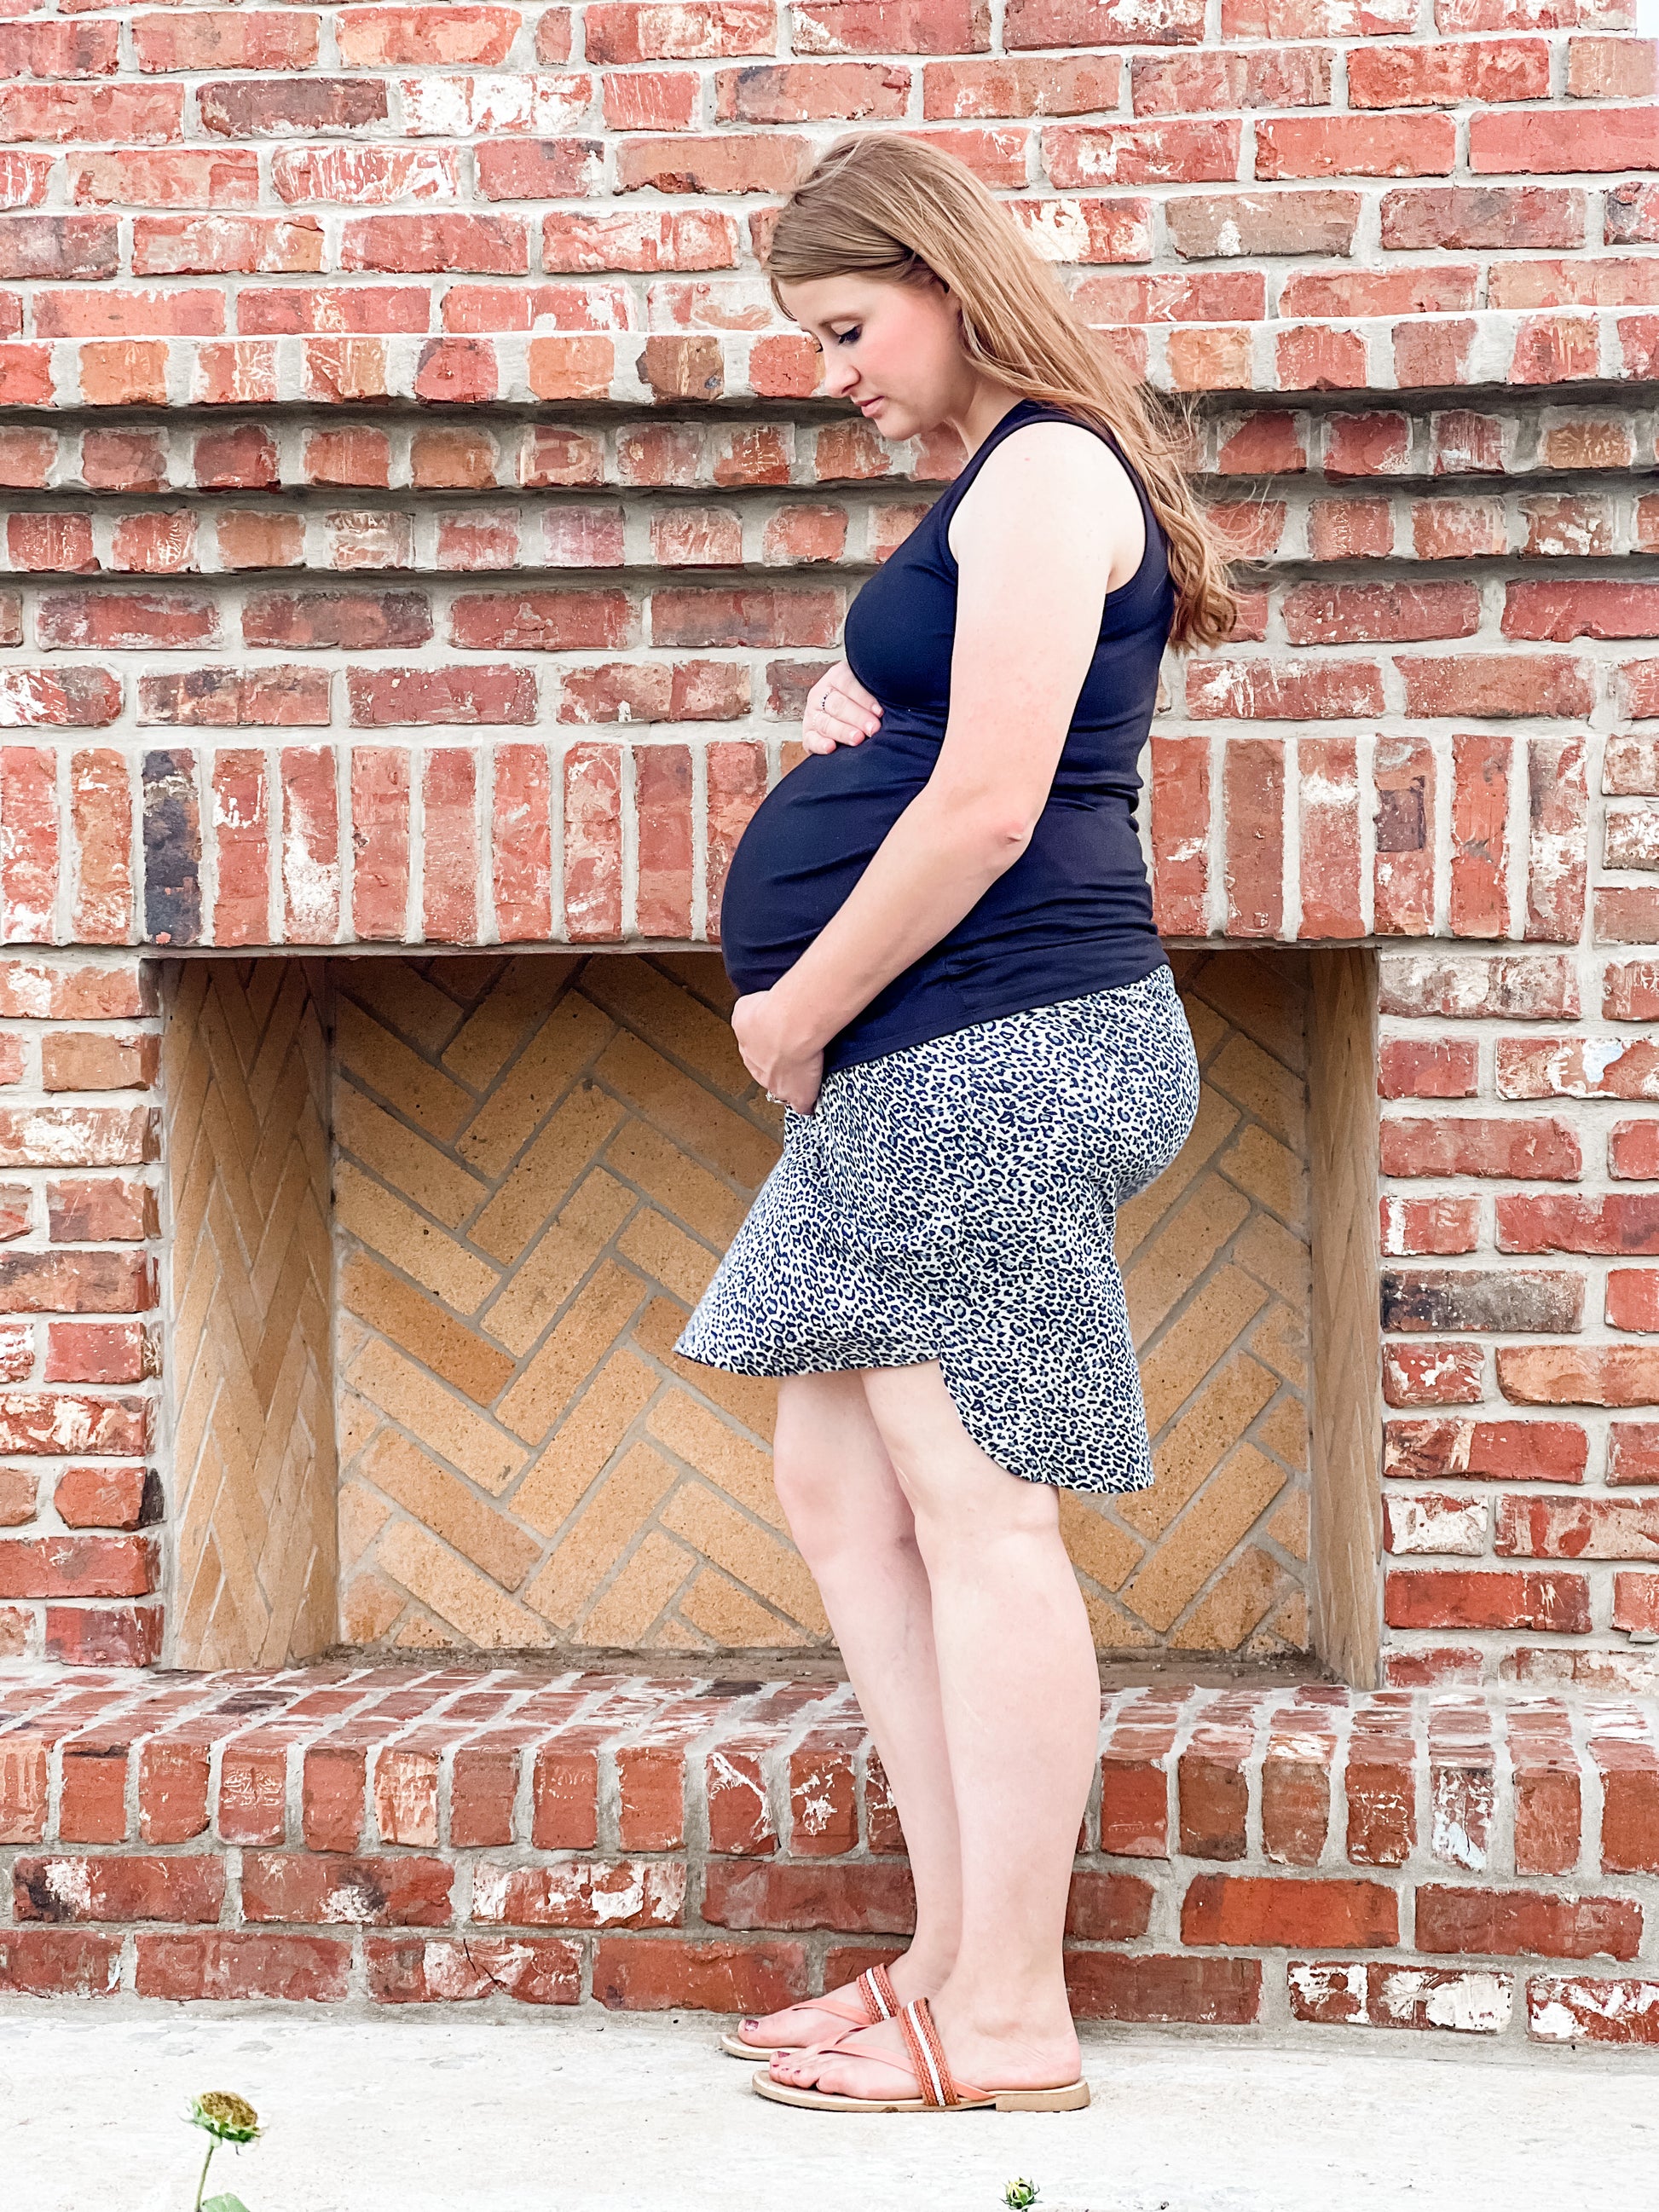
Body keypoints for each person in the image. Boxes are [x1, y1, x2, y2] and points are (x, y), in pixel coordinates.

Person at [672, 131, 1237, 2117]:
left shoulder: (1052, 469)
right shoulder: (1004, 485)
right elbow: (949, 727)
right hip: (933, 1053)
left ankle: (1006, 2014)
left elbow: (993, 807)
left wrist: (797, 1005)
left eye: (847, 327)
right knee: (839, 1476)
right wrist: (844, 691)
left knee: (976, 1499)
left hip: (997, 1042)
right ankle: (939, 1955)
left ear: (942, 275)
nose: (831, 371)